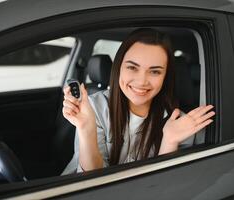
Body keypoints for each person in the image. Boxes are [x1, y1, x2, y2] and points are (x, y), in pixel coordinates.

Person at [62, 28, 215, 174]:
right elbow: (91, 183)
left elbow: (165, 188)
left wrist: (170, 141)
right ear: (119, 67)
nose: (142, 81)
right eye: (132, 68)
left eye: (155, 71)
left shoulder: (182, 124)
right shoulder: (93, 107)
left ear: (165, 76)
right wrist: (86, 128)